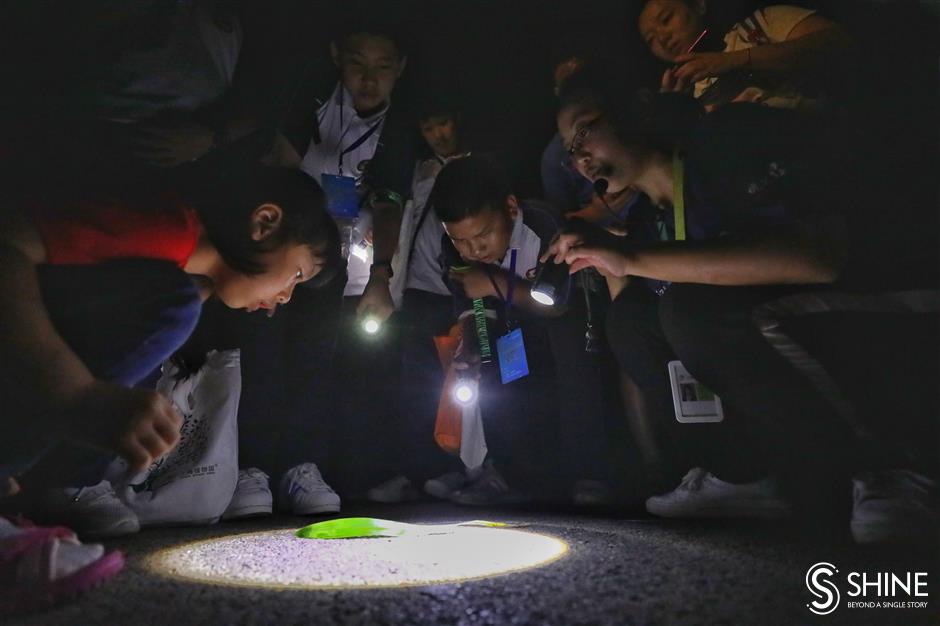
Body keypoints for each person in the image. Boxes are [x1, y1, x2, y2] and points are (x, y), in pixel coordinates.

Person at [544, 72, 937, 541]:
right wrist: (607, 253)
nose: (581, 156)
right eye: (570, 149)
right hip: (811, 318)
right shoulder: (653, 219)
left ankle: (896, 465)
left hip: (893, 304)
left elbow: (816, 256)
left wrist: (630, 256)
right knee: (634, 321)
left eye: (586, 129)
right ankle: (743, 471)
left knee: (693, 309)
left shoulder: (725, 140)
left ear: (640, 104)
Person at [0, 166, 339, 536]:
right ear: (265, 222)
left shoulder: (184, 275)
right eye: (297, 275)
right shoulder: (168, 229)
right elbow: (9, 242)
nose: (285, 297)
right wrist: (77, 392)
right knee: (176, 307)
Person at [427, 156, 616, 506]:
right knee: (485, 359)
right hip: (507, 323)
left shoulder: (544, 227)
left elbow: (559, 304)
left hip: (565, 321)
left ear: (510, 208)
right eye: (461, 240)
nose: (474, 249)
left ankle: (590, 473)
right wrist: (470, 340)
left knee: (570, 349)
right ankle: (505, 473)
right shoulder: (453, 250)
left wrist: (495, 281)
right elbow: (470, 303)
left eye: (483, 234)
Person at [365, 100, 475, 503]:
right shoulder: (421, 170)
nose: (438, 134)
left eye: (443, 122)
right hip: (420, 288)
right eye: (428, 127)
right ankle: (415, 471)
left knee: (467, 382)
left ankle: (470, 469)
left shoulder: (479, 165)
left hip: (465, 288)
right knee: (417, 386)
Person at [637, 1, 854, 109]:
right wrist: (673, 111)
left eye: (666, 20)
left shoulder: (759, 25)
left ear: (698, 5)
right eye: (651, 40)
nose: (662, 38)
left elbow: (837, 41)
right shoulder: (685, 94)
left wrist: (734, 60)